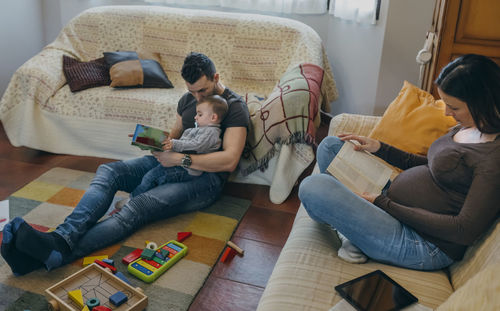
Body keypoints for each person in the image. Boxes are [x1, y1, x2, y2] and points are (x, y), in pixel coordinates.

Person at [1, 52, 250, 276]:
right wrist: (151, 139)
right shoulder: (188, 100)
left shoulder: (235, 107)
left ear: (215, 77)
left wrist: (180, 158)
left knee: (136, 206)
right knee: (109, 171)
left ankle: (51, 255)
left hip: (203, 180)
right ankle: (61, 239)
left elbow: (229, 161)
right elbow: (173, 137)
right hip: (171, 164)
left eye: (202, 91)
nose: (196, 98)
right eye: (191, 91)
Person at [298, 54, 500, 271]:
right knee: (331, 146)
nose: (446, 112)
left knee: (313, 187)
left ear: (483, 102)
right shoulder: (471, 125)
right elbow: (433, 166)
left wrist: (385, 205)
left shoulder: (493, 159)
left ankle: (352, 232)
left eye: (454, 107)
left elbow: (463, 229)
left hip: (421, 242)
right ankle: (354, 230)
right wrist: (380, 148)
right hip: (394, 206)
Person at [131, 95, 228, 197]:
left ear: (213, 117)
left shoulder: (211, 133)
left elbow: (195, 145)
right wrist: (145, 137)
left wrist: (173, 143)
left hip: (187, 170)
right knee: (152, 172)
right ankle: (143, 137)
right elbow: (182, 142)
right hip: (179, 163)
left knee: (151, 176)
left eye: (200, 115)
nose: (195, 117)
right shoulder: (200, 129)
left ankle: (133, 198)